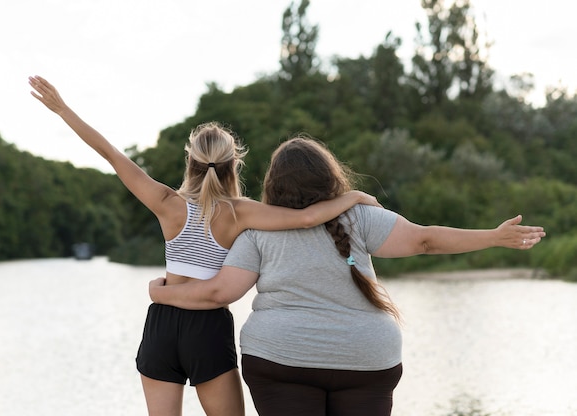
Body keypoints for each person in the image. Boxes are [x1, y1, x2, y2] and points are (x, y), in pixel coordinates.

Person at [28, 76, 381, 416]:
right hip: (207, 328)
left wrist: (62, 109)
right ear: (233, 164)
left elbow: (109, 153)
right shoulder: (240, 213)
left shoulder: (166, 202)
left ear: (190, 162)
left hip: (162, 326)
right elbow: (307, 218)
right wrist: (354, 196)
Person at [148, 136, 546, 416]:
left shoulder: (255, 227)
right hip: (366, 362)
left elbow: (220, 293)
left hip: (282, 360)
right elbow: (426, 241)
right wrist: (494, 237)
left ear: (272, 183)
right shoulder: (360, 216)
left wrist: (162, 294)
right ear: (330, 176)